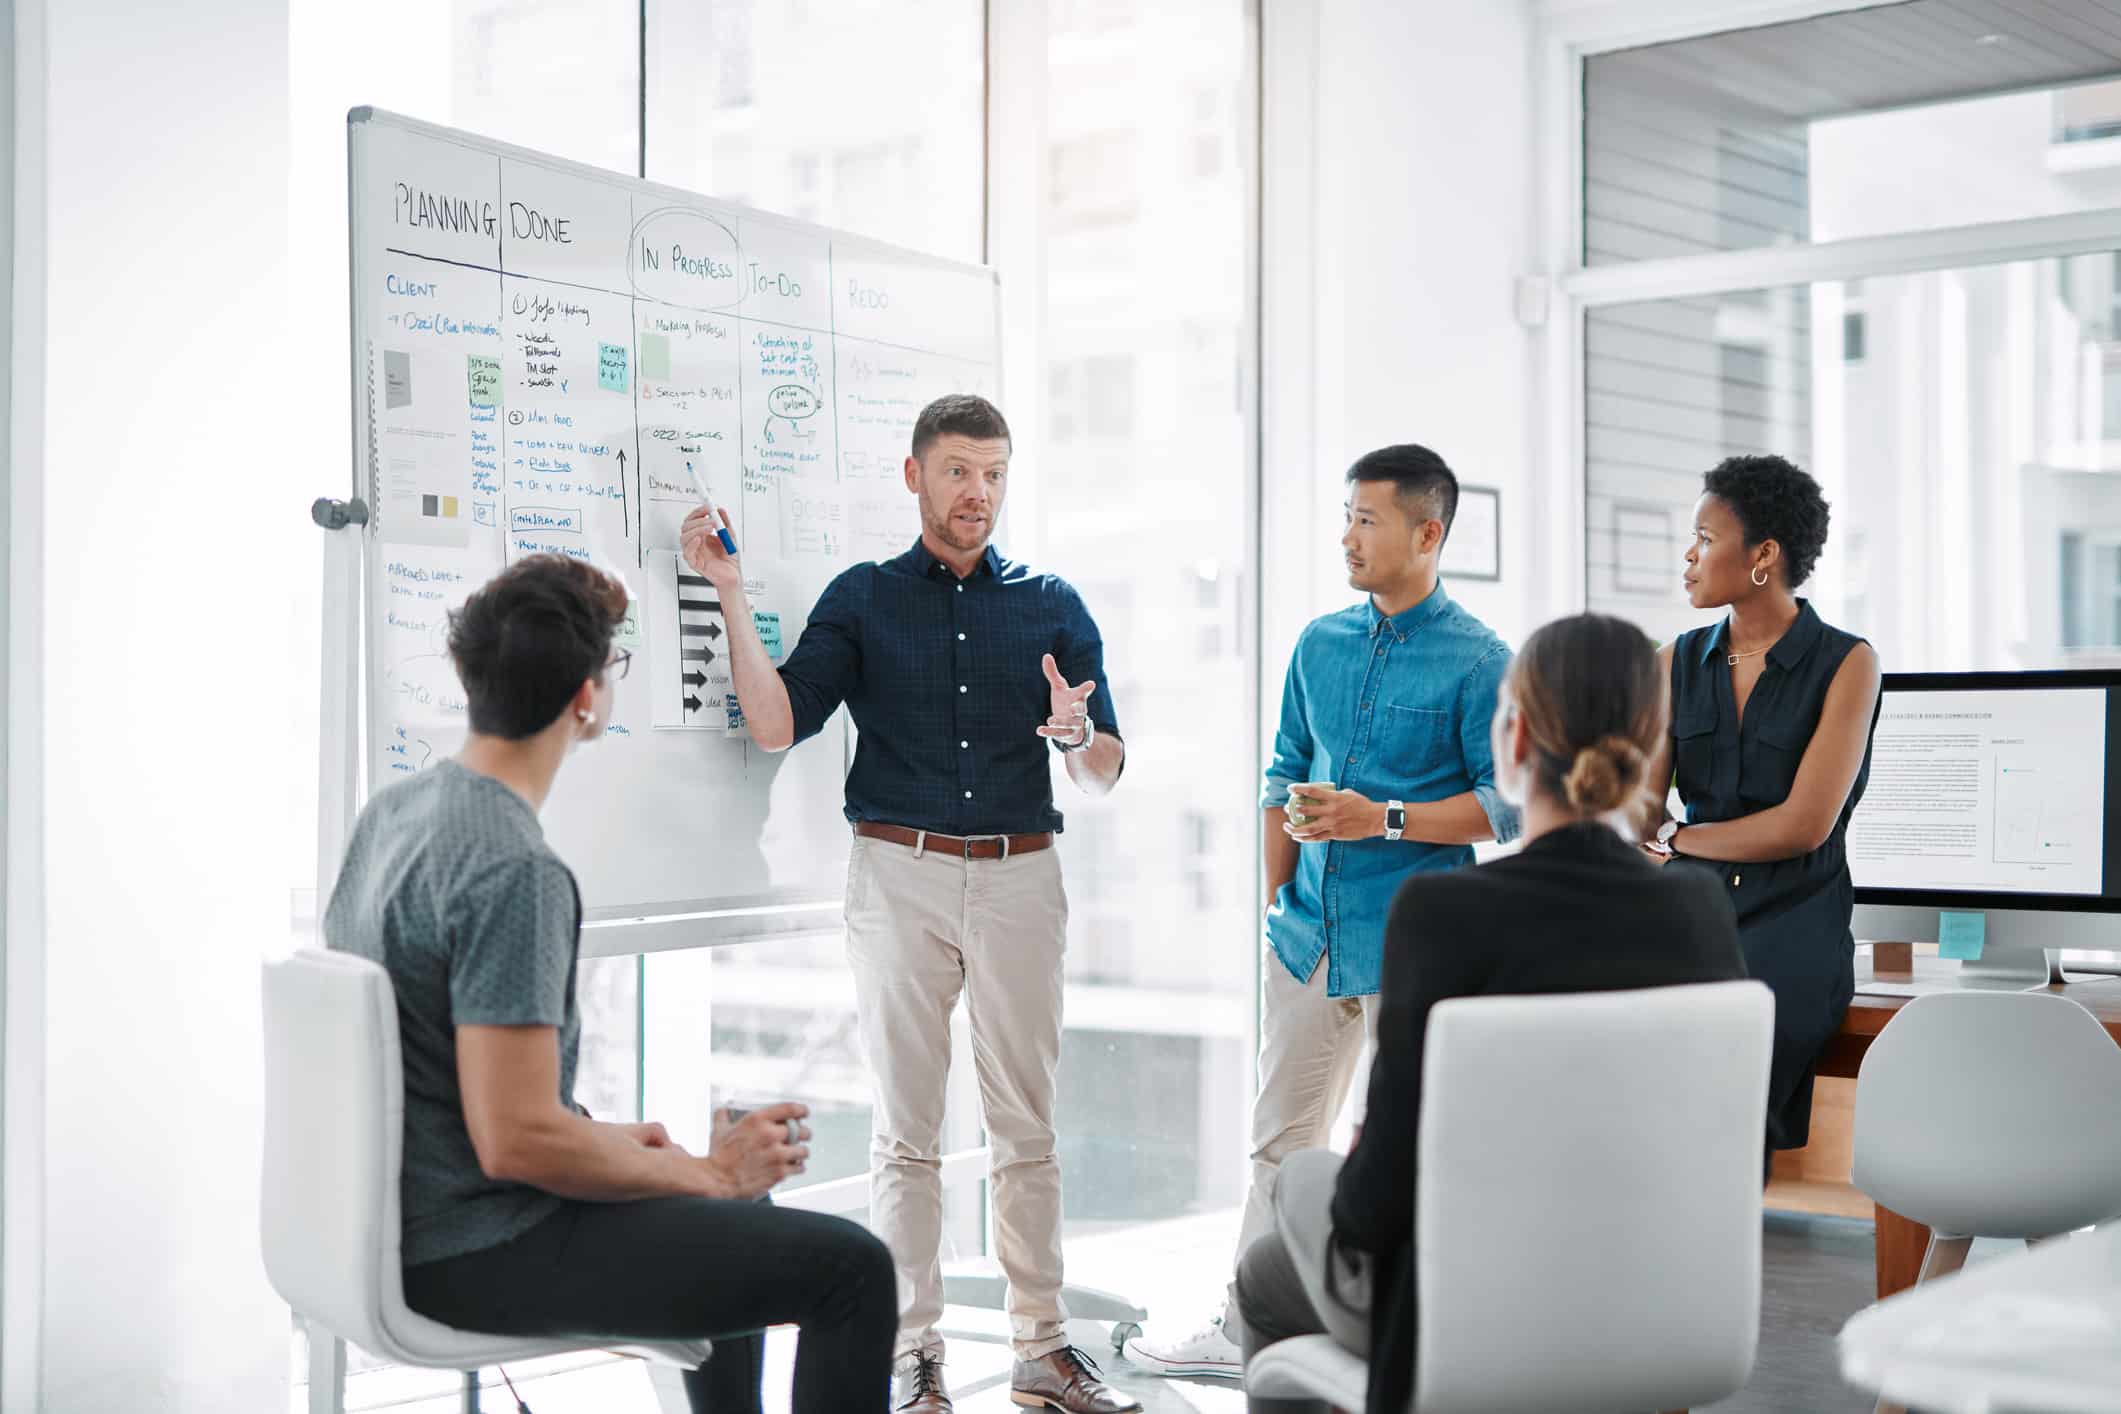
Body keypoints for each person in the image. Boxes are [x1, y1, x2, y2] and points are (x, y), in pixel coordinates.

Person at [325, 553, 897, 1414]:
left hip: (400, 1224)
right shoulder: (511, 868)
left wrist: (645, 1152)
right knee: (853, 1269)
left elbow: (439, 1069)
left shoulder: (396, 814)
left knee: (744, 1206)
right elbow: (515, 1140)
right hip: (477, 1250)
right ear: (588, 699)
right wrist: (705, 1174)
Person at [680, 394, 1138, 1414]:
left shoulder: (1052, 602)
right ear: (916, 475)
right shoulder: (865, 599)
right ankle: (914, 1355)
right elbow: (773, 722)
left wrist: (1075, 736)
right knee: (907, 1131)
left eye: (994, 474)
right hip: (899, 874)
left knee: (1029, 1126)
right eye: (959, 471)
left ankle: (1042, 1348)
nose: (977, 493)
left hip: (1022, 872)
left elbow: (1106, 765)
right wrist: (728, 588)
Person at [1231, 612, 1749, 1414]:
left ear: (1510, 743)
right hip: (1658, 1307)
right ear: (1650, 749)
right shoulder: (1699, 912)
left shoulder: (1443, 914)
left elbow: (1374, 1202)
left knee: (1282, 1229)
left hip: (1464, 1319)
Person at [1125, 444, 1517, 1381]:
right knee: (1280, 1145)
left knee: (1407, 1150)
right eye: (1345, 515)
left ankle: (1412, 1336)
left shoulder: (1481, 659)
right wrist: (1275, 907)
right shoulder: (1317, 643)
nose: (1347, 535)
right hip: (1306, 940)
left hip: (1414, 945)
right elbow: (1279, 779)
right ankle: (1245, 1325)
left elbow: (1501, 808)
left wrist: (1378, 817)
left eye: (1367, 519)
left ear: (1427, 534)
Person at [1641, 454, 1882, 1157]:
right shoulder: (1672, 662)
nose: (1688, 555)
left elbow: (1803, 825)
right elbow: (1639, 815)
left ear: (1763, 555)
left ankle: (1713, 1245)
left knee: (1726, 1107)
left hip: (1794, 922)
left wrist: (1682, 840)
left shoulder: (1847, 662)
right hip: (1688, 918)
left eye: (1705, 538)